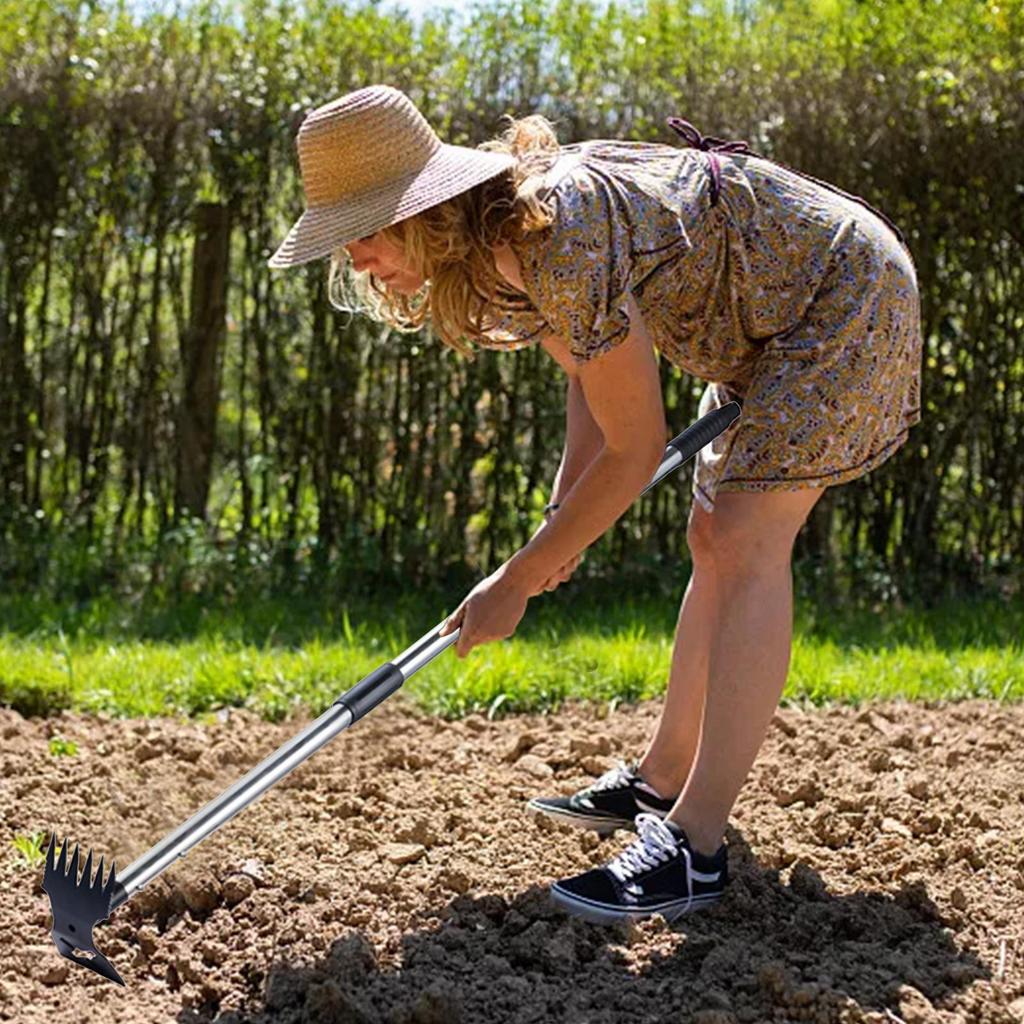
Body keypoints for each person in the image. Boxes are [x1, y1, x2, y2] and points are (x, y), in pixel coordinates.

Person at [269, 84, 923, 925]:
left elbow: (635, 447)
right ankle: (662, 780)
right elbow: (589, 372)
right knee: (710, 534)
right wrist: (557, 528)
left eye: (361, 231)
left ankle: (696, 846)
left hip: (839, 295)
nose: (354, 259)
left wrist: (518, 577)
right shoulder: (496, 247)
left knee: (746, 537)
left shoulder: (554, 230)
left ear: (420, 211)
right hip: (768, 315)